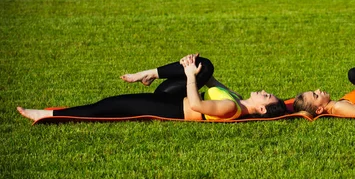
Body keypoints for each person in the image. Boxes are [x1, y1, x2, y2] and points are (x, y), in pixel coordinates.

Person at [17, 54, 287, 121]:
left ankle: (47, 115)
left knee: (112, 106)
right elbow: (212, 82)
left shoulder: (231, 108)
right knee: (208, 65)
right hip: (174, 94)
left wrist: (191, 76)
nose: (264, 89)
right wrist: (195, 67)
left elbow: (196, 105)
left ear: (262, 108)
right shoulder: (237, 99)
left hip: (170, 106)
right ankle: (149, 73)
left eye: (266, 95)